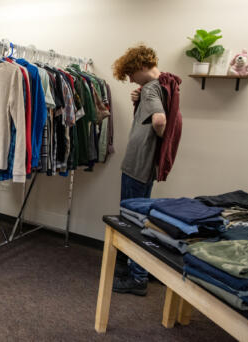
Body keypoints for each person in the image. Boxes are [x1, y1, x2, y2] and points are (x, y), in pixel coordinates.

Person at [111, 45, 171, 296]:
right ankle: (128, 268)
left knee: (133, 220)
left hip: (137, 164)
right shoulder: (165, 84)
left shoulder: (150, 89)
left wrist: (156, 137)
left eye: (130, 74)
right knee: (137, 216)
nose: (130, 80)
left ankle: (138, 278)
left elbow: (160, 120)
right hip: (144, 165)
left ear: (141, 66)